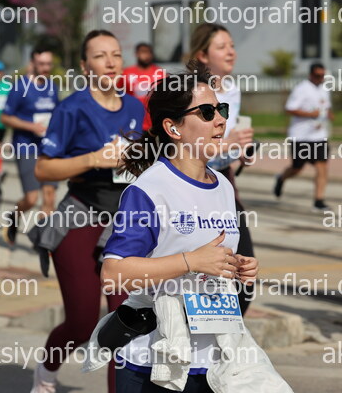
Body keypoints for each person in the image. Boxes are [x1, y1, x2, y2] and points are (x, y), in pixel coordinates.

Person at [98, 64, 283, 393]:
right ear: (173, 127)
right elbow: (113, 274)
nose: (221, 120)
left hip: (216, 361)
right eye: (207, 112)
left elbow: (210, 257)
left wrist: (235, 266)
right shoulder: (150, 189)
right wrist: (190, 261)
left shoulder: (223, 186)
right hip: (155, 363)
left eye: (221, 109)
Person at [30, 30, 145, 393]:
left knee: (124, 323)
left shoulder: (135, 107)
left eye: (116, 54)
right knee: (81, 323)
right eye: (100, 56)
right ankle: (46, 372)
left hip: (125, 224)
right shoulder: (71, 108)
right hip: (81, 217)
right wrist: (93, 159)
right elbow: (43, 169)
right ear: (85, 66)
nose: (110, 62)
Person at [189, 23, 255, 315]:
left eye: (232, 45)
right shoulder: (189, 92)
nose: (231, 52)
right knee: (196, 278)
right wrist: (227, 144)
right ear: (203, 55)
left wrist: (242, 150)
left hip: (223, 181)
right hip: (190, 185)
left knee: (244, 276)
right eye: (222, 46)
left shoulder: (233, 90)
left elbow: (226, 143)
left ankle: (228, 335)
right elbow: (184, 148)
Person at [1, 46, 60, 246]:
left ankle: (44, 243)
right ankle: (14, 216)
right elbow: (5, 117)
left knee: (49, 196)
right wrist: (31, 126)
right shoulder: (20, 87)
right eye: (41, 64)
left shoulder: (52, 87)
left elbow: (57, 114)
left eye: (48, 64)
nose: (45, 68)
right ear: (32, 63)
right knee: (31, 199)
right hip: (26, 146)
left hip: (49, 147)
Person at [274, 62, 333, 211]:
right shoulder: (301, 89)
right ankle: (281, 178)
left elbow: (325, 107)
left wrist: (329, 114)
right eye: (318, 75)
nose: (321, 78)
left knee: (322, 166)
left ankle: (319, 201)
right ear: (311, 74)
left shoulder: (324, 89)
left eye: (323, 75)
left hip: (319, 136)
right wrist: (310, 114)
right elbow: (289, 109)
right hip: (301, 136)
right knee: (297, 168)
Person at [121, 43, 166, 131]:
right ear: (136, 54)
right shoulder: (126, 73)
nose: (146, 55)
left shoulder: (160, 73)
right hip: (132, 121)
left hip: (154, 122)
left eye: (149, 52)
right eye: (143, 52)